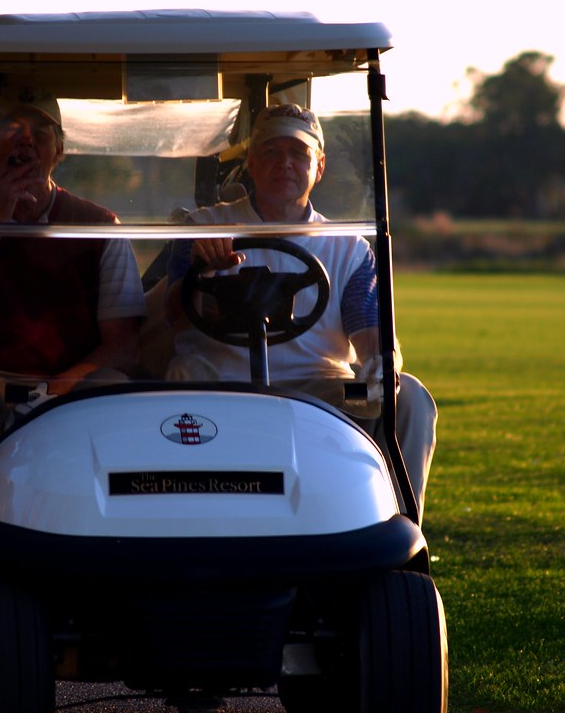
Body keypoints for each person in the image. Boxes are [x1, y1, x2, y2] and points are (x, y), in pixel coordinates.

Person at [164, 103, 437, 522]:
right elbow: (172, 318)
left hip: (317, 388)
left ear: (319, 166)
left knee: (412, 398)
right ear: (251, 163)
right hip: (219, 380)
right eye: (271, 152)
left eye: (299, 154)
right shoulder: (204, 228)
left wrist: (384, 364)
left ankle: (399, 529)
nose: (285, 164)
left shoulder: (347, 248)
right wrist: (204, 268)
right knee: (179, 386)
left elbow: (371, 337)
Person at [0, 84, 146, 547]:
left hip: (69, 383)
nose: (25, 143)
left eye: (40, 132)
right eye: (11, 132)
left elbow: (124, 343)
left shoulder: (99, 226)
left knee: (116, 393)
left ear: (58, 149)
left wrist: (58, 386)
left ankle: (111, 556)